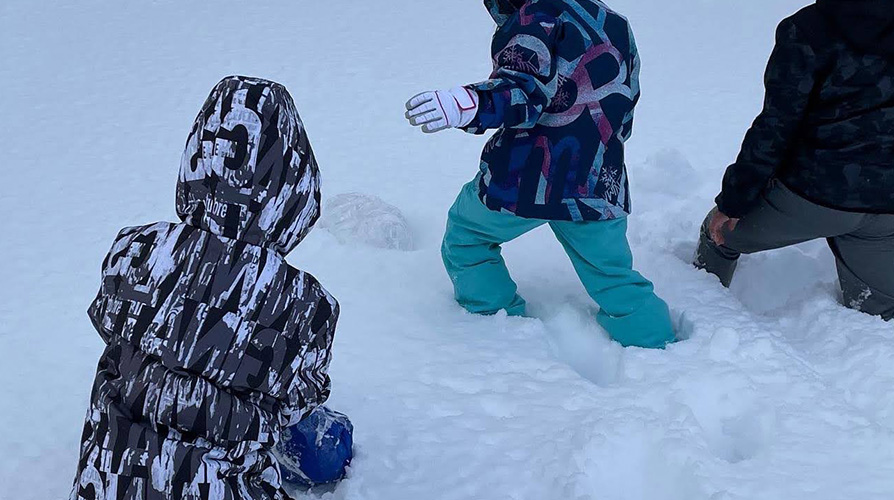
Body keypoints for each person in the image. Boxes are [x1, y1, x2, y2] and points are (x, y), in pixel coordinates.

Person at [70, 76, 341, 499]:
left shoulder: (134, 252)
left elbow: (109, 322)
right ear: (293, 191)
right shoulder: (306, 306)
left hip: (105, 483)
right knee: (329, 440)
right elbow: (297, 399)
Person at [404, 0, 675, 349]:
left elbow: (522, 90)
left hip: (525, 180)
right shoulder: (613, 22)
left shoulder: (536, 18)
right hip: (595, 179)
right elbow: (626, 95)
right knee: (612, 275)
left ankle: (492, 318)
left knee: (467, 236)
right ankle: (656, 344)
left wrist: (469, 104)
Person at [695, 0, 894, 322]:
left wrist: (733, 203)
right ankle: (893, 364)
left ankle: (702, 315)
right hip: (890, 205)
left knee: (716, 233)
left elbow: (777, 125)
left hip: (812, 197)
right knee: (877, 317)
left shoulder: (807, 28)